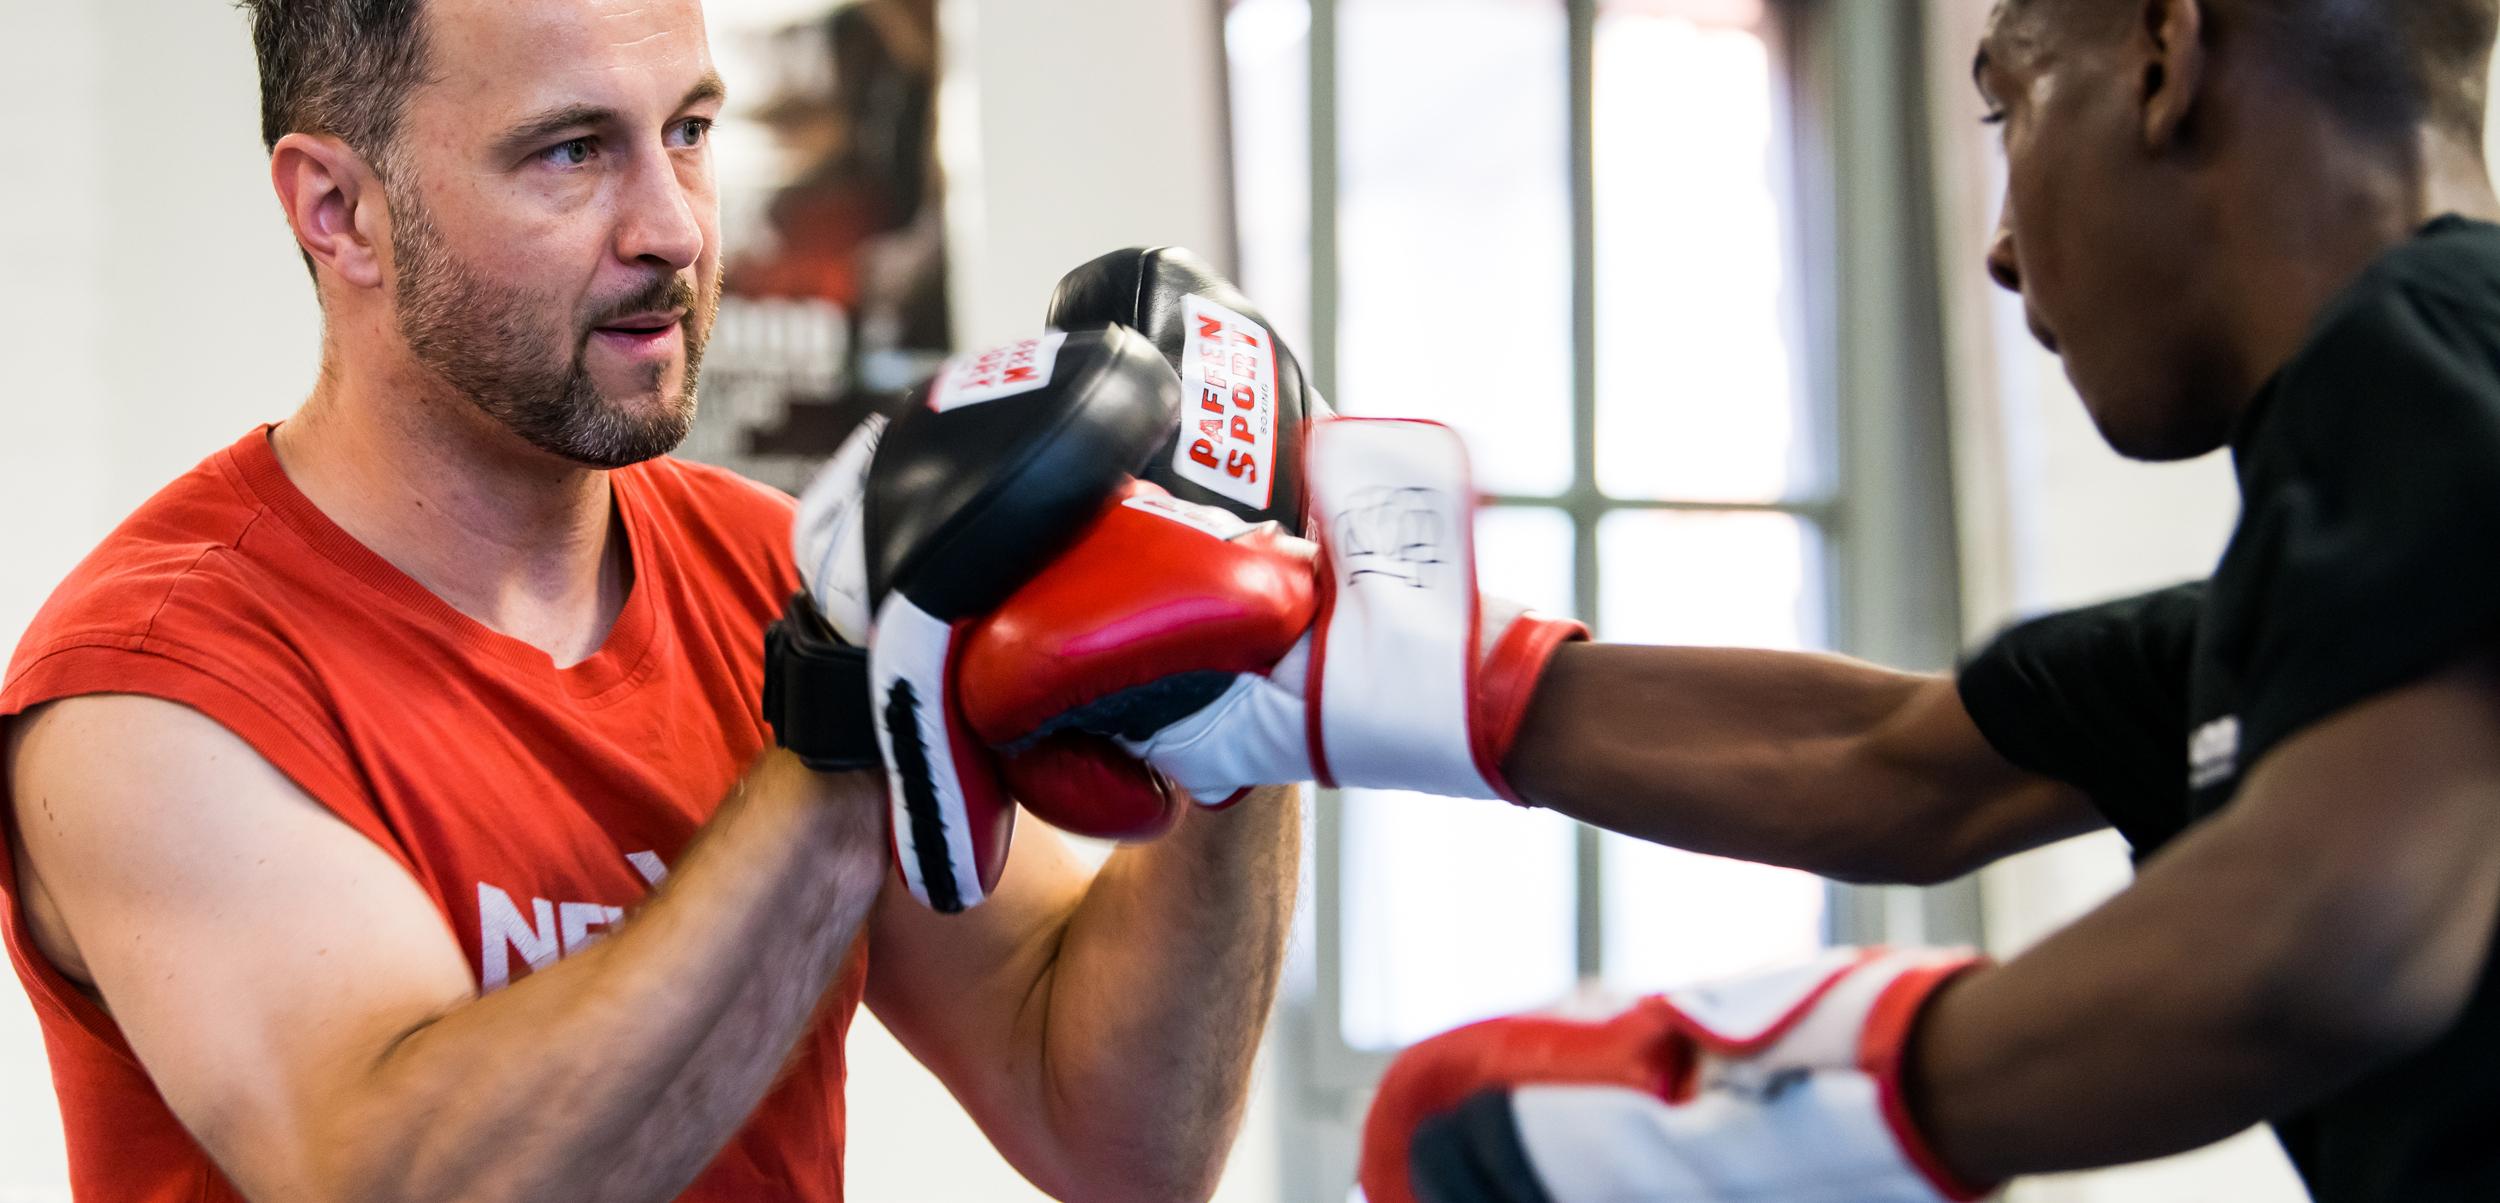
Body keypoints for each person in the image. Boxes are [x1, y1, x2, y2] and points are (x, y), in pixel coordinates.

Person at [938, 0, 2500, 1198]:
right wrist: (1334, 669)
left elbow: (2332, 934)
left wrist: (1739, 1112)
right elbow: (1899, 769)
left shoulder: (2422, 347)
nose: (2009, 248)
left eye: (2009, 104)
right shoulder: (2370, 537)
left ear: (2167, 57)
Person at [0, 2, 1295, 1201]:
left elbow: (1122, 1141)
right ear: (338, 210)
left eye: (687, 131)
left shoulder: (768, 572)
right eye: (570, 152)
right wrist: (836, 736)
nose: (673, 226)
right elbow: (401, 1177)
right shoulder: (154, 688)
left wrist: (1243, 712)